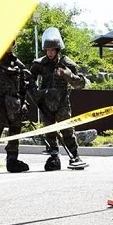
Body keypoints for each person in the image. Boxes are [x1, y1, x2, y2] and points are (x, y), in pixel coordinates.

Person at [29, 27, 88, 171]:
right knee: (49, 130)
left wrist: (68, 75)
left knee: (67, 130)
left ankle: (75, 156)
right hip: (45, 102)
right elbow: (28, 81)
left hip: (62, 102)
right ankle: (54, 157)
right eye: (47, 50)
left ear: (57, 50)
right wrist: (36, 95)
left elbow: (81, 84)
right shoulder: (39, 64)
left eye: (52, 50)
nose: (49, 53)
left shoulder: (66, 63)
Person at [0, 39, 30, 175]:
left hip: (15, 104)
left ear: (13, 45)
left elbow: (24, 85)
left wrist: (24, 103)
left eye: (10, 44)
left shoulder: (17, 63)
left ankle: (12, 161)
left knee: (15, 133)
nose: (8, 46)